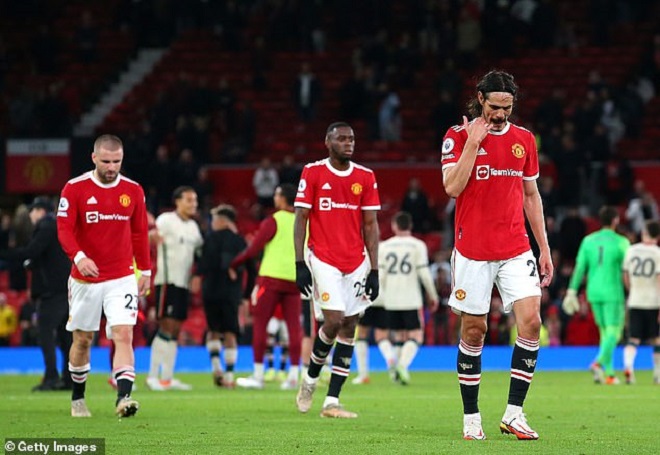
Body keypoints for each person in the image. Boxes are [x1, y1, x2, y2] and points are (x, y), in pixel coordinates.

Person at [441, 71, 554, 440]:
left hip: (515, 247)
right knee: (475, 331)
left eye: (507, 107)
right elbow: (452, 188)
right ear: (480, 99)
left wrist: (544, 248)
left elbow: (531, 196)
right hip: (472, 251)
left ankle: (514, 414)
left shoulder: (524, 140)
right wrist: (474, 142)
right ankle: (471, 418)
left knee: (532, 322)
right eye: (494, 107)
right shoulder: (457, 137)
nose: (501, 114)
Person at [57, 134, 151, 418]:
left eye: (117, 161)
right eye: (107, 161)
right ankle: (78, 398)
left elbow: (139, 233)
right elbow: (64, 230)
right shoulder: (74, 188)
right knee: (83, 339)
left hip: (121, 276)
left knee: (123, 334)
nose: (112, 167)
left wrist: (145, 270)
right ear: (94, 158)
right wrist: (79, 256)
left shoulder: (133, 190)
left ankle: (123, 398)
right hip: (85, 279)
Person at [294, 122, 381, 418]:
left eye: (352, 139)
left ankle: (332, 402)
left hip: (356, 261)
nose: (348, 143)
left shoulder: (365, 177)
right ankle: (309, 381)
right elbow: (301, 218)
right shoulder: (313, 172)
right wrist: (299, 263)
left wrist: (375, 269)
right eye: (342, 138)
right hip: (323, 258)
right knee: (333, 320)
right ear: (327, 141)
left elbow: (371, 225)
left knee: (349, 325)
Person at [232, 183, 303, 390]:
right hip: (293, 280)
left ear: (281, 199)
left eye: (276, 195)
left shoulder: (273, 220)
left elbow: (254, 249)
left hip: (270, 279)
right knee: (294, 330)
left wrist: (233, 264)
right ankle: (293, 376)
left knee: (261, 325)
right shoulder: (303, 222)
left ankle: (258, 375)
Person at [0, 196, 73, 391]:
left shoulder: (47, 226)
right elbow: (42, 257)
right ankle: (68, 379)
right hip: (65, 290)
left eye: (33, 211)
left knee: (45, 333)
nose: (31, 215)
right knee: (65, 337)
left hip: (52, 293)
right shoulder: (58, 227)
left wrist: (5, 255)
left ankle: (51, 377)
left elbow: (31, 251)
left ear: (40, 211)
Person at [562, 206, 629, 385]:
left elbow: (579, 268)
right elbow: (628, 269)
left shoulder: (588, 241)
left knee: (604, 332)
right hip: (613, 292)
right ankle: (598, 363)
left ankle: (609, 374)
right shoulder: (621, 242)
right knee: (615, 331)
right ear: (615, 220)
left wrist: (572, 291)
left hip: (593, 292)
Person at [146, 186, 203, 391]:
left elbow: (199, 253)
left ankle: (167, 378)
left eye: (195, 200)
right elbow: (151, 235)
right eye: (189, 200)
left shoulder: (194, 228)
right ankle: (152, 376)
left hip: (183, 284)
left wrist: (197, 275)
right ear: (177, 201)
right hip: (167, 281)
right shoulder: (166, 220)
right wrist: (151, 235)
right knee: (166, 326)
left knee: (176, 329)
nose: (193, 204)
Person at [198, 204, 255, 388]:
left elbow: (202, 266)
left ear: (222, 221)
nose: (212, 223)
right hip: (231, 293)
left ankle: (216, 369)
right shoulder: (239, 241)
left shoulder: (209, 239)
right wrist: (246, 295)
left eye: (214, 220)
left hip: (210, 291)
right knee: (231, 333)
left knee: (213, 330)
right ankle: (229, 377)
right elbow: (251, 270)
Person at [379, 211, 439, 385]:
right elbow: (424, 273)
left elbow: (381, 275)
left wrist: (380, 295)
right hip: (411, 298)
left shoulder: (384, 246)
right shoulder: (417, 245)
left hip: (390, 299)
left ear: (394, 226)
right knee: (416, 336)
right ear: (410, 226)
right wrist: (432, 295)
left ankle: (394, 376)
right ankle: (402, 366)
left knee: (397, 336)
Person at [621, 220, 660, 384]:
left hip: (635, 300)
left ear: (644, 233)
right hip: (654, 302)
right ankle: (657, 374)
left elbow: (625, 275)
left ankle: (629, 367)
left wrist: (632, 290)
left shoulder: (631, 250)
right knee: (657, 339)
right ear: (657, 236)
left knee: (633, 339)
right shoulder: (658, 253)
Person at [352, 294, 390, 385]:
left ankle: (363, 375)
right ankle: (391, 359)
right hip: (383, 300)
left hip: (365, 300)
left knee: (361, 335)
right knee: (382, 336)